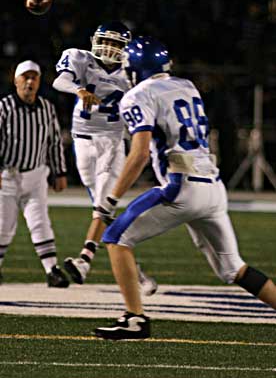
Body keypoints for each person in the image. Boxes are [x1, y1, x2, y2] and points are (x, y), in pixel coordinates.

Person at [94, 36, 276, 340]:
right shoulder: (187, 86)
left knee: (115, 237)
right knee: (234, 269)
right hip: (213, 188)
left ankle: (134, 318)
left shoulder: (138, 95)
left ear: (136, 69)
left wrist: (110, 199)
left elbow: (139, 153)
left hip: (181, 186)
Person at [52, 21, 157, 295]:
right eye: (106, 41)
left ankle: (85, 260)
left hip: (112, 141)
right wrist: (79, 90)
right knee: (100, 205)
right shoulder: (80, 58)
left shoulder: (131, 73)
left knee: (102, 204)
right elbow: (59, 80)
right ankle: (136, 269)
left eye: (116, 44)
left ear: (125, 48)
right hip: (82, 141)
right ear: (95, 40)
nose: (109, 48)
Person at [0, 60, 69, 288]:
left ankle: (51, 269)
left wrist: (60, 172)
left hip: (37, 174)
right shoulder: (4, 107)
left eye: (34, 78)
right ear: (16, 80)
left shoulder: (47, 108)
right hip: (7, 176)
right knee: (3, 226)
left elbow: (54, 142)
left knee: (40, 222)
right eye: (25, 77)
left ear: (39, 82)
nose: (29, 82)